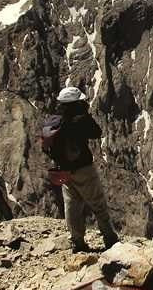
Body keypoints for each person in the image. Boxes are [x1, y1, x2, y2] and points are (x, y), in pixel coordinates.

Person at [42, 87, 119, 252]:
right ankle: (110, 239)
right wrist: (85, 115)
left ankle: (77, 242)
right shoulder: (79, 120)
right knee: (98, 204)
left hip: (64, 171)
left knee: (72, 206)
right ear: (75, 103)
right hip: (83, 169)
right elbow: (96, 132)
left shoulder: (55, 121)